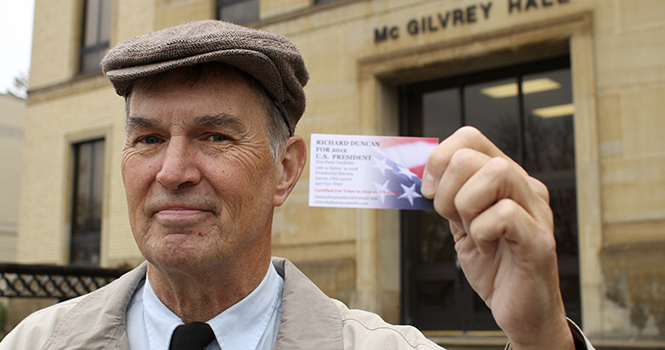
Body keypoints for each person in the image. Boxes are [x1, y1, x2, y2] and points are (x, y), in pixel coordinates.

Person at [0, 20, 594, 350]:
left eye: (214, 137)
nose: (173, 171)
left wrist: (540, 337)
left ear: (285, 171)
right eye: (149, 138)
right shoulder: (35, 344)